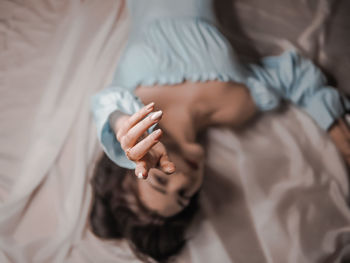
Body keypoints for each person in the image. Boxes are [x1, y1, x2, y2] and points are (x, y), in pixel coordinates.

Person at [89, 0, 350, 262]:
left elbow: (107, 106)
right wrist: (335, 127)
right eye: (183, 197)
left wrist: (123, 127)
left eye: (161, 181)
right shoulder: (237, 108)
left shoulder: (132, 105)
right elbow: (293, 75)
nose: (183, 182)